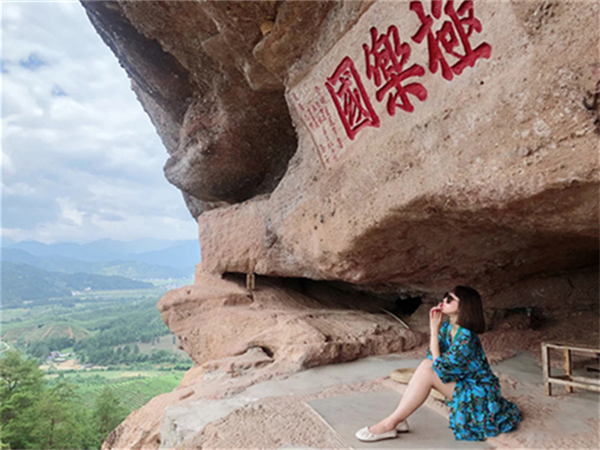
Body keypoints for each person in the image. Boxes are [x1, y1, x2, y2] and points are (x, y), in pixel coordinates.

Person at [356, 286, 522, 442]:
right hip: (463, 383)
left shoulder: (467, 337)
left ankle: (390, 423)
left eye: (450, 299)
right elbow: (432, 358)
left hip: (479, 392)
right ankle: (398, 419)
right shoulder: (447, 328)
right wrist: (436, 330)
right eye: (444, 296)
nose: (443, 300)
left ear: (464, 307)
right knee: (426, 366)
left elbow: (441, 368)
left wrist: (433, 330)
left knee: (428, 371)